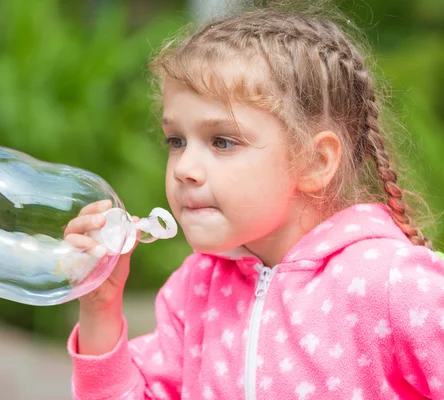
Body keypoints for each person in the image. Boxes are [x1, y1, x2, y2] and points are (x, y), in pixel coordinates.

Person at [62, 3, 444, 399]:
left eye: (222, 141)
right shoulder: (196, 290)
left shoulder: (390, 283)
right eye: (176, 141)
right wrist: (100, 309)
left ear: (315, 162)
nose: (184, 168)